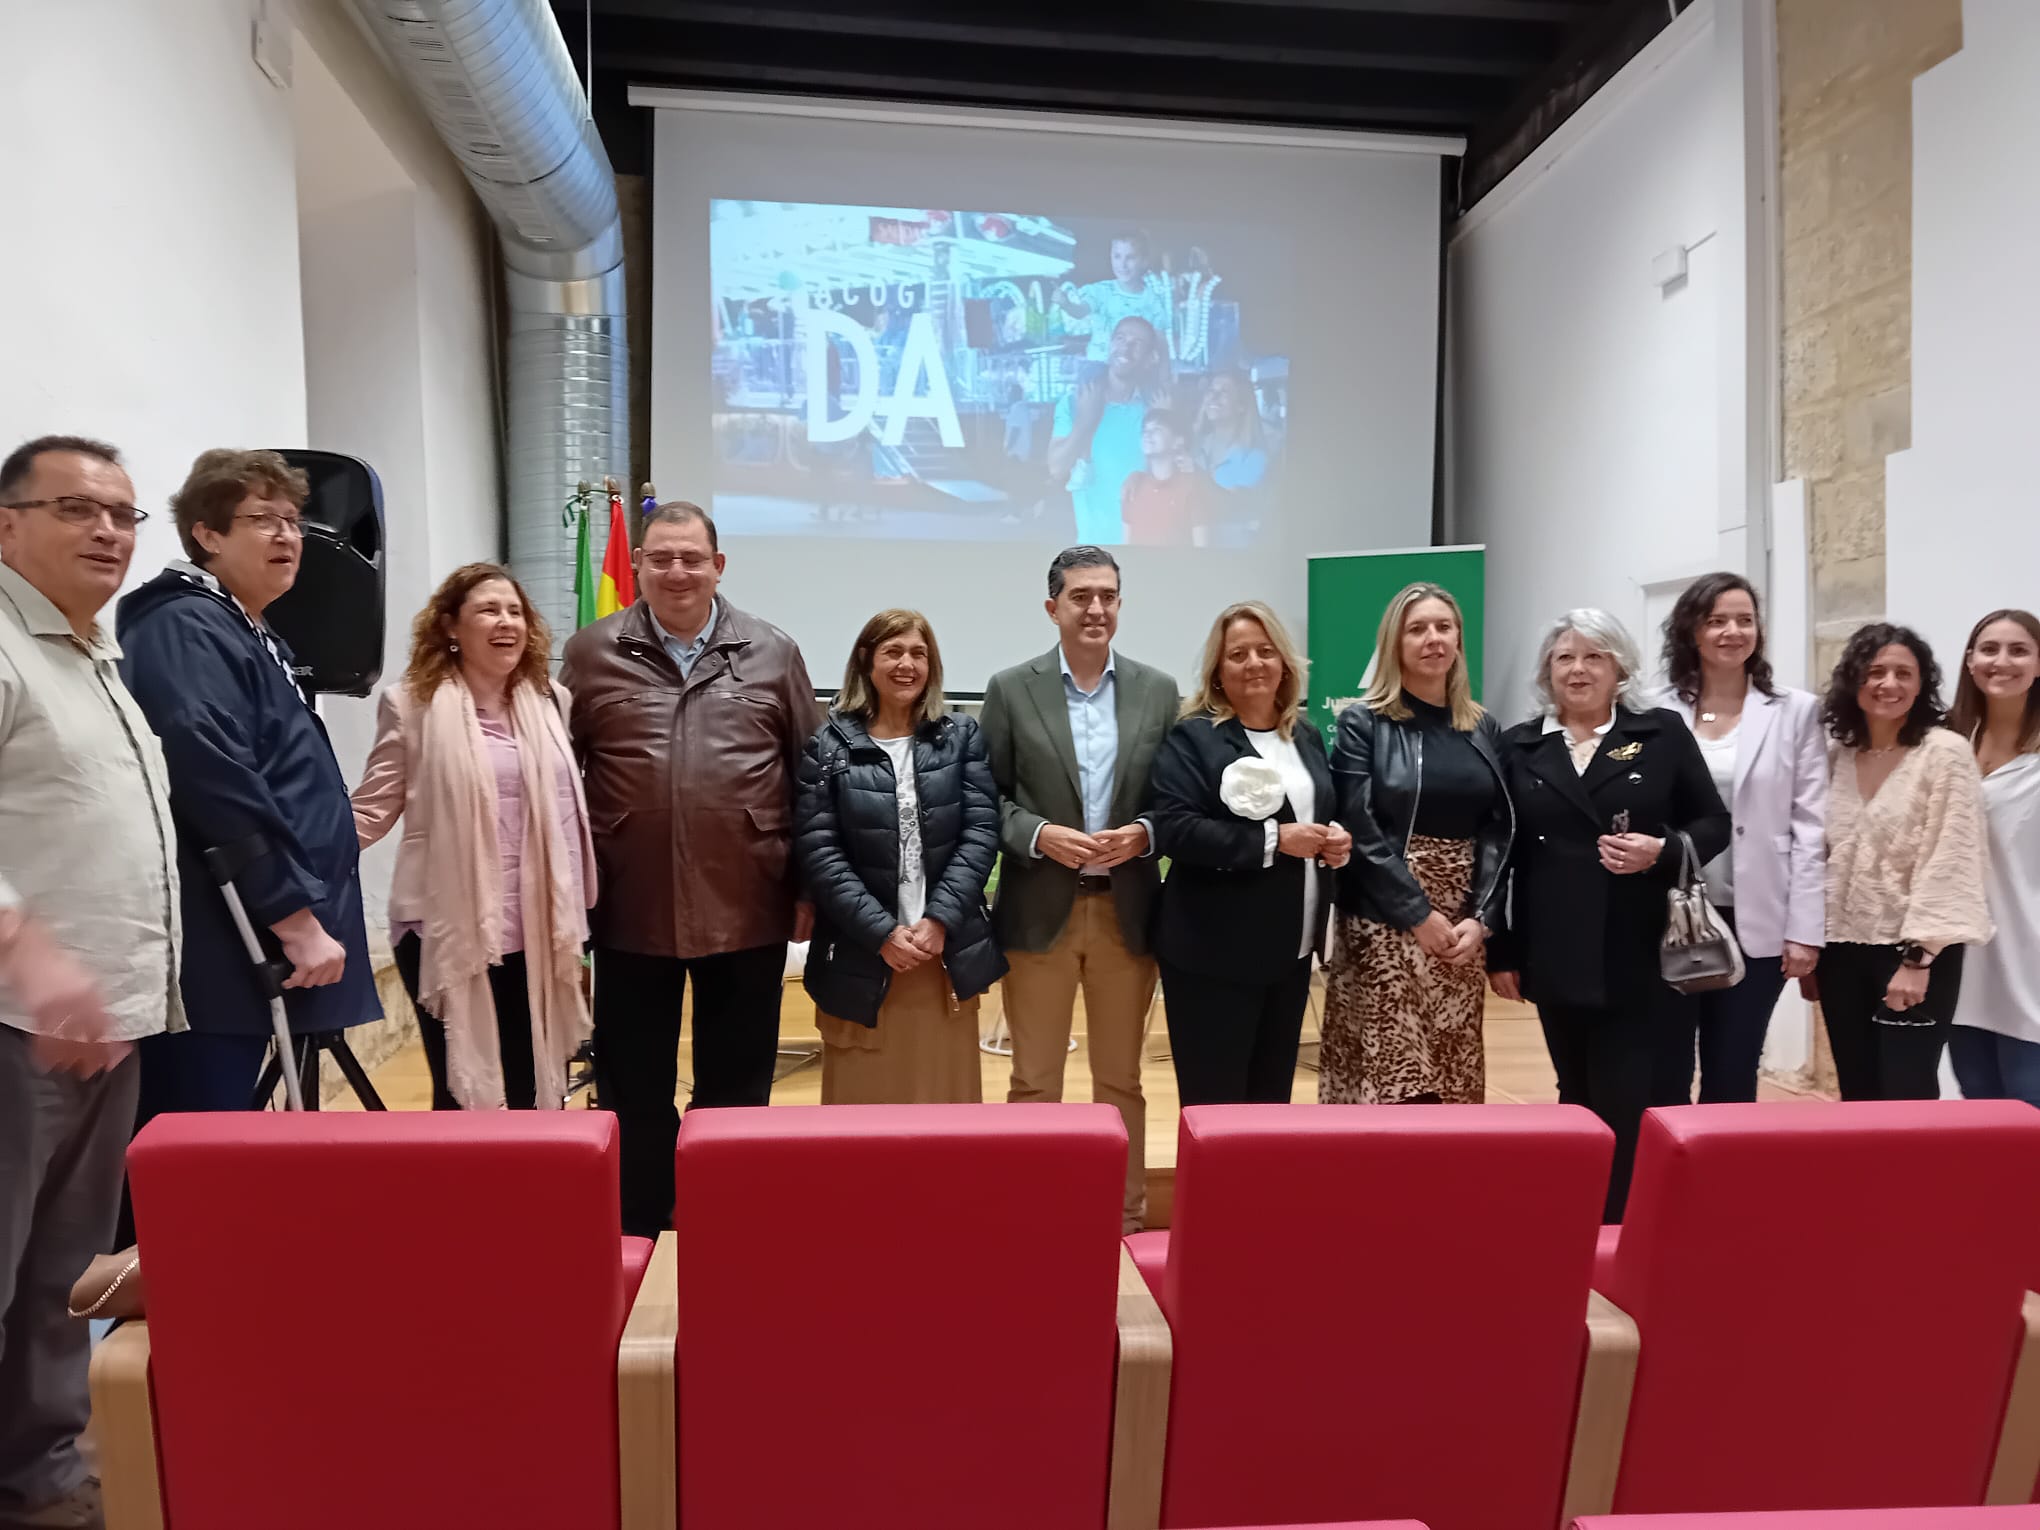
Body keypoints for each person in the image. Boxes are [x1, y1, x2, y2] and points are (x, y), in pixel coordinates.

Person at [0, 436, 182, 1530]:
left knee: (60, 1274)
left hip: (103, 1024)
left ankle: (40, 1479)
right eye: (78, 509)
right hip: (18, 1018)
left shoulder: (93, 658)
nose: (109, 531)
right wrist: (31, 957)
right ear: (7, 524)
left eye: (122, 513)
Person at [560, 501, 816, 1239]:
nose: (676, 571)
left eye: (691, 558)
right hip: (628, 905)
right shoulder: (590, 653)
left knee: (735, 1085)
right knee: (632, 1084)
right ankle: (640, 1224)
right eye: (660, 557)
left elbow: (809, 775)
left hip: (748, 903)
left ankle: (727, 1221)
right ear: (637, 563)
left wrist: (804, 888)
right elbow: (561, 781)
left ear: (718, 566)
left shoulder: (772, 651)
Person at [119, 449, 379, 1127]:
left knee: (231, 1153)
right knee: (201, 1152)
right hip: (222, 945)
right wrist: (293, 918)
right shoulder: (183, 625)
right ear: (206, 533)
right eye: (263, 519)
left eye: (292, 521)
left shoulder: (252, 630)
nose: (288, 536)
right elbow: (210, 769)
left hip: (253, 943)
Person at [1487, 610, 1727, 1222]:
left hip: (1642, 948)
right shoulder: (1519, 744)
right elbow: (1500, 852)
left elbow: (1713, 823)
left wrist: (1662, 850)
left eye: (1594, 656)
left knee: (1633, 1097)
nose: (1579, 669)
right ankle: (1583, 1216)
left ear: (1619, 666)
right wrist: (1504, 949)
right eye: (1566, 657)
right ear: (1548, 669)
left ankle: (1626, 1225)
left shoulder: (1660, 733)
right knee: (1576, 1094)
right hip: (1556, 948)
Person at [980, 547, 1180, 1233]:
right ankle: (1031, 1213)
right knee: (1034, 1079)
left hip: (1127, 912)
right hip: (1041, 913)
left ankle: (1122, 1216)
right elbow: (987, 800)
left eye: (1108, 596)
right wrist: (1039, 834)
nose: (1096, 609)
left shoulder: (1159, 691)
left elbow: (1176, 800)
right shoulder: (1011, 689)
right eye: (1081, 597)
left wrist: (1147, 833)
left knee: (1121, 1079)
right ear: (1053, 608)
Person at [352, 564, 596, 1111]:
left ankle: (535, 1193)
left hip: (538, 925)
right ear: (450, 627)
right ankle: (464, 1195)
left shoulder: (551, 700)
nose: (505, 622)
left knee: (533, 1077)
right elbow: (372, 808)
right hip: (446, 928)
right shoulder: (410, 704)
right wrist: (300, 859)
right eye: (488, 610)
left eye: (515, 612)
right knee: (461, 1086)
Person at [794, 611, 1003, 1102]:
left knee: (944, 1103)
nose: (906, 664)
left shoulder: (960, 737)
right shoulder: (828, 746)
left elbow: (980, 833)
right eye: (892, 652)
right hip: (862, 955)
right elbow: (820, 851)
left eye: (918, 653)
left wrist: (940, 921)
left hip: (942, 951)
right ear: (866, 662)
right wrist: (881, 932)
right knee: (862, 1115)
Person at [1148, 602, 1350, 1105]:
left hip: (1292, 950)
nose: (1254, 663)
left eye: (1265, 651)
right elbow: (1176, 830)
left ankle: (1262, 1189)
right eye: (1238, 654)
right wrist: (1276, 840)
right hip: (1214, 953)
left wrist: (1335, 842)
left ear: (1284, 661)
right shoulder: (1192, 737)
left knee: (1270, 1102)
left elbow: (1318, 811)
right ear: (1218, 670)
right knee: (1215, 1102)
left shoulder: (1303, 735)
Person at [1322, 583, 1510, 1105]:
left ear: (1458, 640)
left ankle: (1445, 1186)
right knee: (1394, 1081)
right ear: (1395, 643)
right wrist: (1416, 913)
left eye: (1443, 627)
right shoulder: (1364, 722)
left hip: (1461, 925)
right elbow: (1358, 824)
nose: (1433, 639)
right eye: (1418, 629)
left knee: (1452, 1074)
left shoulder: (1483, 725)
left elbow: (1500, 828)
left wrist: (1483, 916)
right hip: (1385, 917)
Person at [1653, 573, 1827, 1104]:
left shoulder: (1796, 711)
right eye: (1717, 620)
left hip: (1757, 916)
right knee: (1665, 1065)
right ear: (1691, 631)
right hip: (1666, 915)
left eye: (1745, 620)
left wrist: (1805, 931)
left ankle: (1720, 1183)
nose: (1733, 631)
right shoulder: (1653, 709)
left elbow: (1810, 824)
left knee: (1733, 1066)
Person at [1810, 623, 1990, 1101]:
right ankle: (1864, 1179)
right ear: (1854, 681)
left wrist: (1918, 958)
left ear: (1921, 682)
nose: (1889, 684)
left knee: (1907, 1091)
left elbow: (1953, 857)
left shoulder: (1944, 753)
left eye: (1903, 673)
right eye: (1875, 672)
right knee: (1857, 1088)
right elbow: (1816, 855)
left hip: (1913, 951)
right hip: (1840, 951)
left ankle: (1915, 1181)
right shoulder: (1836, 754)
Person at [1948, 610, 2040, 1103]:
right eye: (1989, 649)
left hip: (2031, 956)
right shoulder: (1946, 743)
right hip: (1961, 959)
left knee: (2030, 1104)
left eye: (2019, 650)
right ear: (1969, 660)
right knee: (1980, 1105)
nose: (2001, 662)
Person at [1049, 317, 1172, 546]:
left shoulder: (1152, 412)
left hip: (1147, 550)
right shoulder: (1074, 404)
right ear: (1110, 345)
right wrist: (1085, 421)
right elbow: (1056, 468)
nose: (1126, 348)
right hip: (1093, 551)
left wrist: (1164, 422)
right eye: (1120, 338)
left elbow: (1169, 481)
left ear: (1150, 358)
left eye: (1137, 343)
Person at [1054, 230, 1175, 366]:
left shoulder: (1153, 301)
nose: (1122, 264)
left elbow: (1161, 341)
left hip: (1135, 369)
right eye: (1117, 256)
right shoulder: (1100, 291)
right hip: (1098, 366)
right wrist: (1066, 304)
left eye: (1130, 258)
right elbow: (1080, 311)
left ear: (1144, 261)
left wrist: (1165, 377)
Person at [1119, 409, 1213, 548]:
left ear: (1178, 441)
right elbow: (1126, 546)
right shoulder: (1133, 487)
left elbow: (1202, 549)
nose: (1147, 435)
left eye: (1157, 429)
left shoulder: (1192, 487)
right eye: (1145, 430)